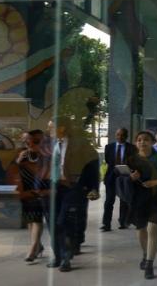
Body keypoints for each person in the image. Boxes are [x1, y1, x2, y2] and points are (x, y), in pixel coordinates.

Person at [45, 116, 100, 272]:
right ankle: (58, 256)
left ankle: (66, 257)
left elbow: (93, 165)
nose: (49, 130)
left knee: (64, 222)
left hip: (73, 188)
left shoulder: (80, 144)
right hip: (55, 188)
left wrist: (93, 187)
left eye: (51, 127)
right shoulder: (54, 143)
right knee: (53, 224)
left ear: (62, 128)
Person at [127, 131, 157, 279]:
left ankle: (149, 263)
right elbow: (122, 177)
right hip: (139, 199)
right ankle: (145, 253)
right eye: (139, 140)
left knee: (153, 228)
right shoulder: (132, 160)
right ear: (136, 143)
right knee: (141, 229)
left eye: (146, 140)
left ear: (152, 142)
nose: (142, 142)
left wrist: (155, 182)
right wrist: (130, 177)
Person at [15, 130, 50, 262]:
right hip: (26, 191)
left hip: (41, 190)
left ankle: (32, 249)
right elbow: (15, 171)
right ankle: (38, 246)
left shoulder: (46, 155)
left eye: (33, 141)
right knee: (30, 220)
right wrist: (19, 159)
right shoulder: (23, 155)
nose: (28, 143)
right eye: (27, 141)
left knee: (36, 219)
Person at [101, 128, 136, 231]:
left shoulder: (132, 148)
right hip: (111, 177)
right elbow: (108, 161)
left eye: (122, 135)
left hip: (125, 177)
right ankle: (106, 224)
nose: (120, 137)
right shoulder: (109, 147)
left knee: (124, 200)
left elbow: (134, 162)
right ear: (115, 135)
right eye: (118, 134)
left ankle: (123, 222)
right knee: (109, 201)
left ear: (126, 136)